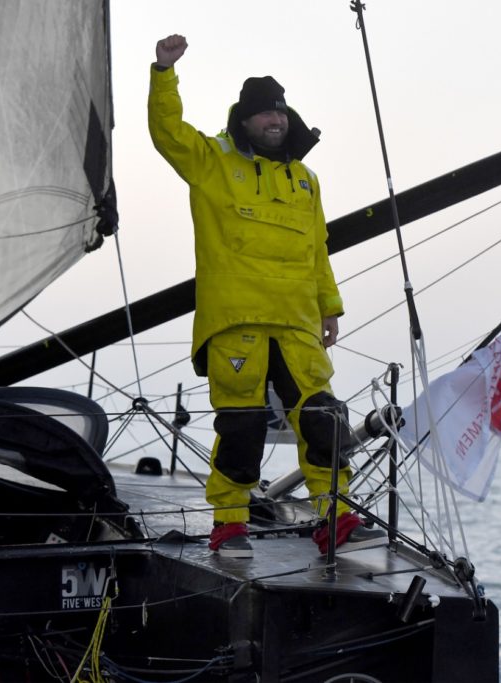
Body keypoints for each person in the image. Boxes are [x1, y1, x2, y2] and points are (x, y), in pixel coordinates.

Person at [148, 34, 384, 558]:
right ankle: (229, 524)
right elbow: (167, 134)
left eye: (281, 114)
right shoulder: (212, 161)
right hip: (237, 320)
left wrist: (329, 307)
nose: (276, 122)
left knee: (323, 417)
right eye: (264, 115)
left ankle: (334, 516)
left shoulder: (305, 180)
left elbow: (317, 249)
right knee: (242, 426)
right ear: (245, 121)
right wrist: (164, 73)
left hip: (298, 320)